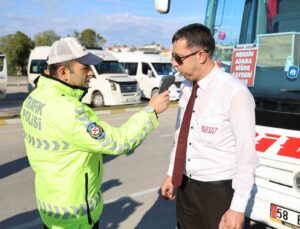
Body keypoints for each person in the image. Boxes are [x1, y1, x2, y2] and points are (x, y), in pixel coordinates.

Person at [21, 37, 170, 229]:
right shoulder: (69, 111)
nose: (91, 73)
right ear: (63, 72)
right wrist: (151, 112)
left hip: (50, 206)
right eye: (85, 68)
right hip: (76, 216)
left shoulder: (35, 97)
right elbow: (118, 142)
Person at [161, 23, 259, 229]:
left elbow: (246, 156)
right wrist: (172, 174)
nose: (174, 64)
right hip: (186, 186)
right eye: (173, 56)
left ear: (201, 56)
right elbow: (181, 137)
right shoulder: (187, 88)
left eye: (178, 58)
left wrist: (238, 208)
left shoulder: (235, 93)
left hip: (218, 192)